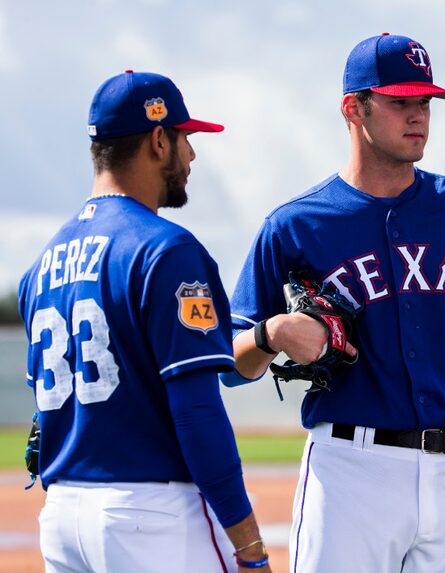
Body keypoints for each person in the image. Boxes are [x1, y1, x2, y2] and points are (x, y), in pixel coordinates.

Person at [221, 33, 445, 572]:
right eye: (400, 101)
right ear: (353, 108)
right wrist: (272, 334)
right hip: (350, 473)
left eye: (424, 101)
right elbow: (231, 366)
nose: (418, 115)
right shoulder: (295, 225)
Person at [18, 70, 271, 573]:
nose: (192, 155)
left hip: (63, 513)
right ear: (158, 140)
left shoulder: (41, 266)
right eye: (185, 138)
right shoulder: (166, 250)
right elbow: (197, 413)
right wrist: (249, 545)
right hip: (149, 518)